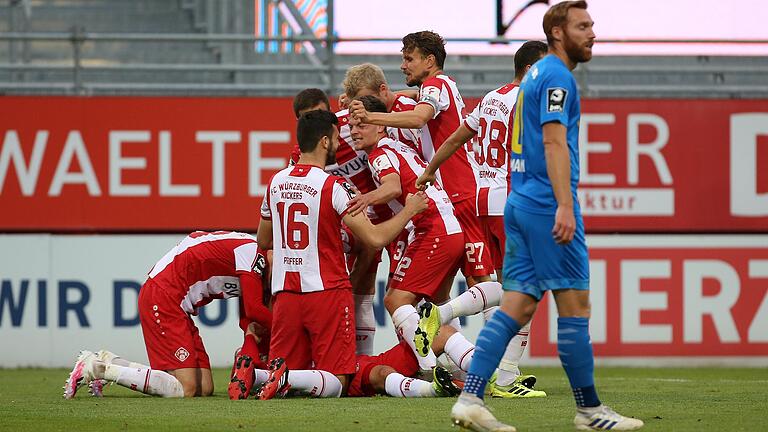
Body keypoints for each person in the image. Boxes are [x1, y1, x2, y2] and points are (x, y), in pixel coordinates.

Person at [450, 2, 644, 431]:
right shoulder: (557, 76)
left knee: (515, 305)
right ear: (558, 32)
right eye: (583, 26)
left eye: (592, 24)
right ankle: (589, 409)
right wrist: (564, 205)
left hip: (519, 201)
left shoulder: (532, 76)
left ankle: (470, 398)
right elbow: (554, 143)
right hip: (544, 204)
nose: (592, 33)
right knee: (575, 305)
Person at [258, 110, 429, 397]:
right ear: (324, 142)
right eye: (337, 138)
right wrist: (409, 211)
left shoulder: (275, 182)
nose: (340, 143)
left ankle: (257, 375)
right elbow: (374, 239)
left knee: (289, 386)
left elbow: (264, 238)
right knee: (338, 382)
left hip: (286, 294)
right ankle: (278, 375)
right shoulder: (334, 186)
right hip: (326, 293)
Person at [415, 41, 549, 399]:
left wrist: (430, 170)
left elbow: (459, 135)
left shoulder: (492, 97)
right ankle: (505, 378)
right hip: (512, 200)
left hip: (483, 198)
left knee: (506, 286)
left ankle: (442, 316)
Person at [349, 31, 494, 288]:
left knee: (480, 281)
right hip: (445, 197)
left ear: (429, 61)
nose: (403, 65)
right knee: (438, 291)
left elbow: (419, 118)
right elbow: (408, 107)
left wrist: (370, 117)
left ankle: (513, 325)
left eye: (409, 59)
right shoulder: (426, 91)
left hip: (460, 192)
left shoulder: (436, 85)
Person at [63, 231, 272, 399]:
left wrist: (253, 339)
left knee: (204, 387)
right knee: (186, 387)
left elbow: (247, 320)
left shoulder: (259, 265)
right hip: (163, 296)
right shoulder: (252, 254)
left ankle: (110, 361)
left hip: (177, 305)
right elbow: (254, 309)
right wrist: (286, 329)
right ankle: (97, 369)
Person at [350, 95, 470, 374]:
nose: (355, 130)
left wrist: (364, 199)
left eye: (361, 124)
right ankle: (462, 370)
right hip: (449, 226)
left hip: (433, 228)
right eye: (353, 126)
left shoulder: (379, 153)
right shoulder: (398, 145)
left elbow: (392, 187)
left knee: (395, 300)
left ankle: (428, 370)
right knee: (439, 304)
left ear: (379, 126)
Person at [290, 88, 395, 357]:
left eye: (322, 115)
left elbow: (390, 99)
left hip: (386, 214)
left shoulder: (356, 124)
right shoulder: (303, 153)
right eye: (308, 118)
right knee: (353, 279)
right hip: (351, 219)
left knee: (383, 289)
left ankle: (362, 358)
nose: (317, 123)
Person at [255, 324, 466, 400]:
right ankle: (433, 390)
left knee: (442, 332)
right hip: (346, 373)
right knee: (382, 373)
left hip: (361, 361)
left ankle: (485, 378)